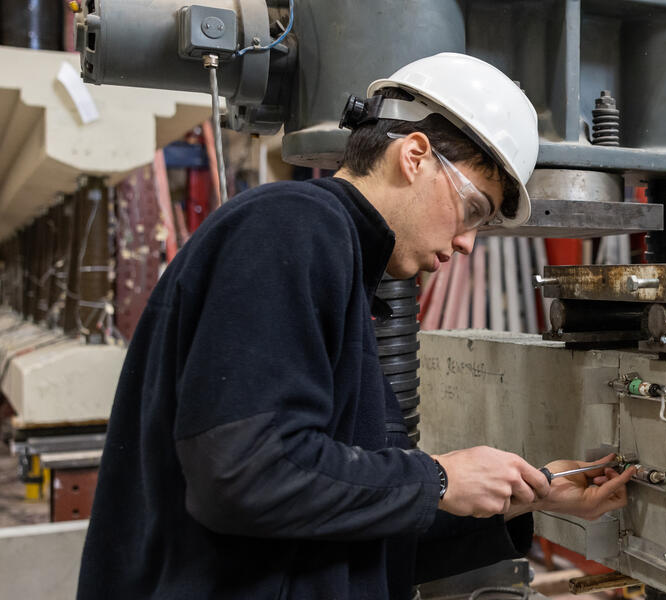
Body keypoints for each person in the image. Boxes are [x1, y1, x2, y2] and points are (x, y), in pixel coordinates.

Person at [79, 53, 635, 599]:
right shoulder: (291, 226)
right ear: (414, 156)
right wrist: (438, 479)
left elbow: (347, 518)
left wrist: (528, 494)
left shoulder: (336, 262)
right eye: (473, 210)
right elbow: (243, 476)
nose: (467, 243)